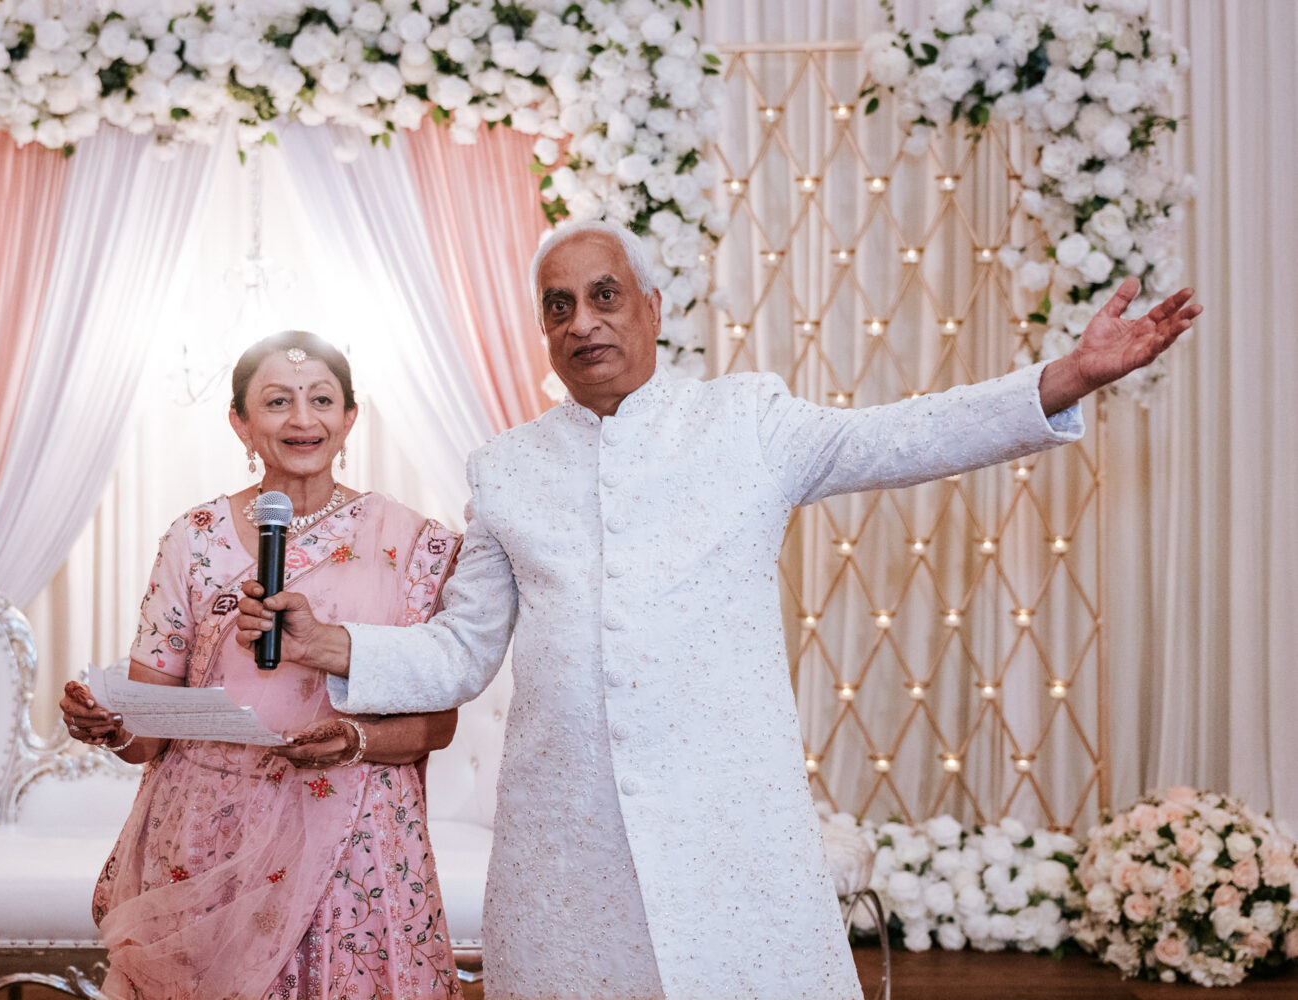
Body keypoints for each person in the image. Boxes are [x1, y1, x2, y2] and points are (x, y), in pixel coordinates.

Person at [235, 221, 1202, 1000]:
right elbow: (462, 648)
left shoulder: (747, 422)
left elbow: (906, 434)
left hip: (728, 812)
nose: (584, 322)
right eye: (559, 306)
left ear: (654, 309)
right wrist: (337, 644)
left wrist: (1067, 377)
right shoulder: (507, 466)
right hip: (568, 827)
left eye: (605, 296)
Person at [59, 330, 465, 1000]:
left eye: (322, 400)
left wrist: (356, 739)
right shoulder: (195, 538)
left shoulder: (409, 542)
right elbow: (149, 734)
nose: (303, 420)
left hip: (353, 834)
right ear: (240, 423)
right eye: (278, 401)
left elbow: (436, 723)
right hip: (209, 835)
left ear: (349, 418)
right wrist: (110, 723)